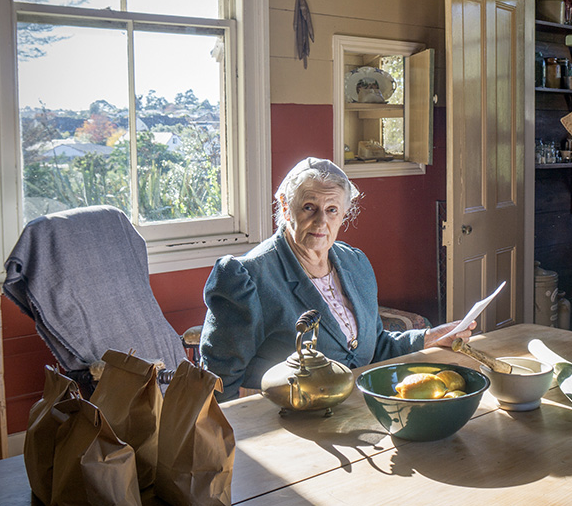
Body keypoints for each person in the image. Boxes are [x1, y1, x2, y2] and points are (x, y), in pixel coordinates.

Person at [200, 157, 475, 401]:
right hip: (285, 424)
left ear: (345, 214)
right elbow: (219, 384)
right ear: (285, 207)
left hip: (356, 413)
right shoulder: (245, 276)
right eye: (309, 207)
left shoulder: (355, 264)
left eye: (332, 210)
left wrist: (429, 337)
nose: (321, 222)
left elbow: (374, 347)